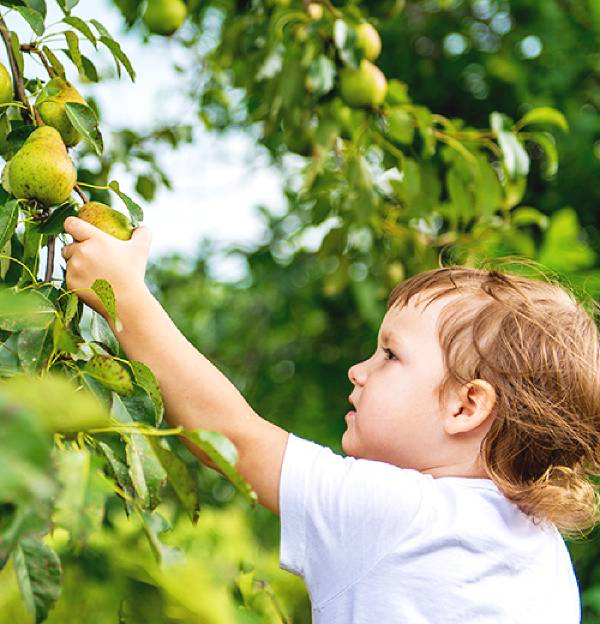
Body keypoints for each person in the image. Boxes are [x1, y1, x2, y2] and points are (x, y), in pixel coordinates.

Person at [62, 216, 600, 623]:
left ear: (465, 407)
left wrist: (124, 296)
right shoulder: (544, 555)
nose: (358, 370)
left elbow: (234, 439)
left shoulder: (403, 514)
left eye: (390, 355)